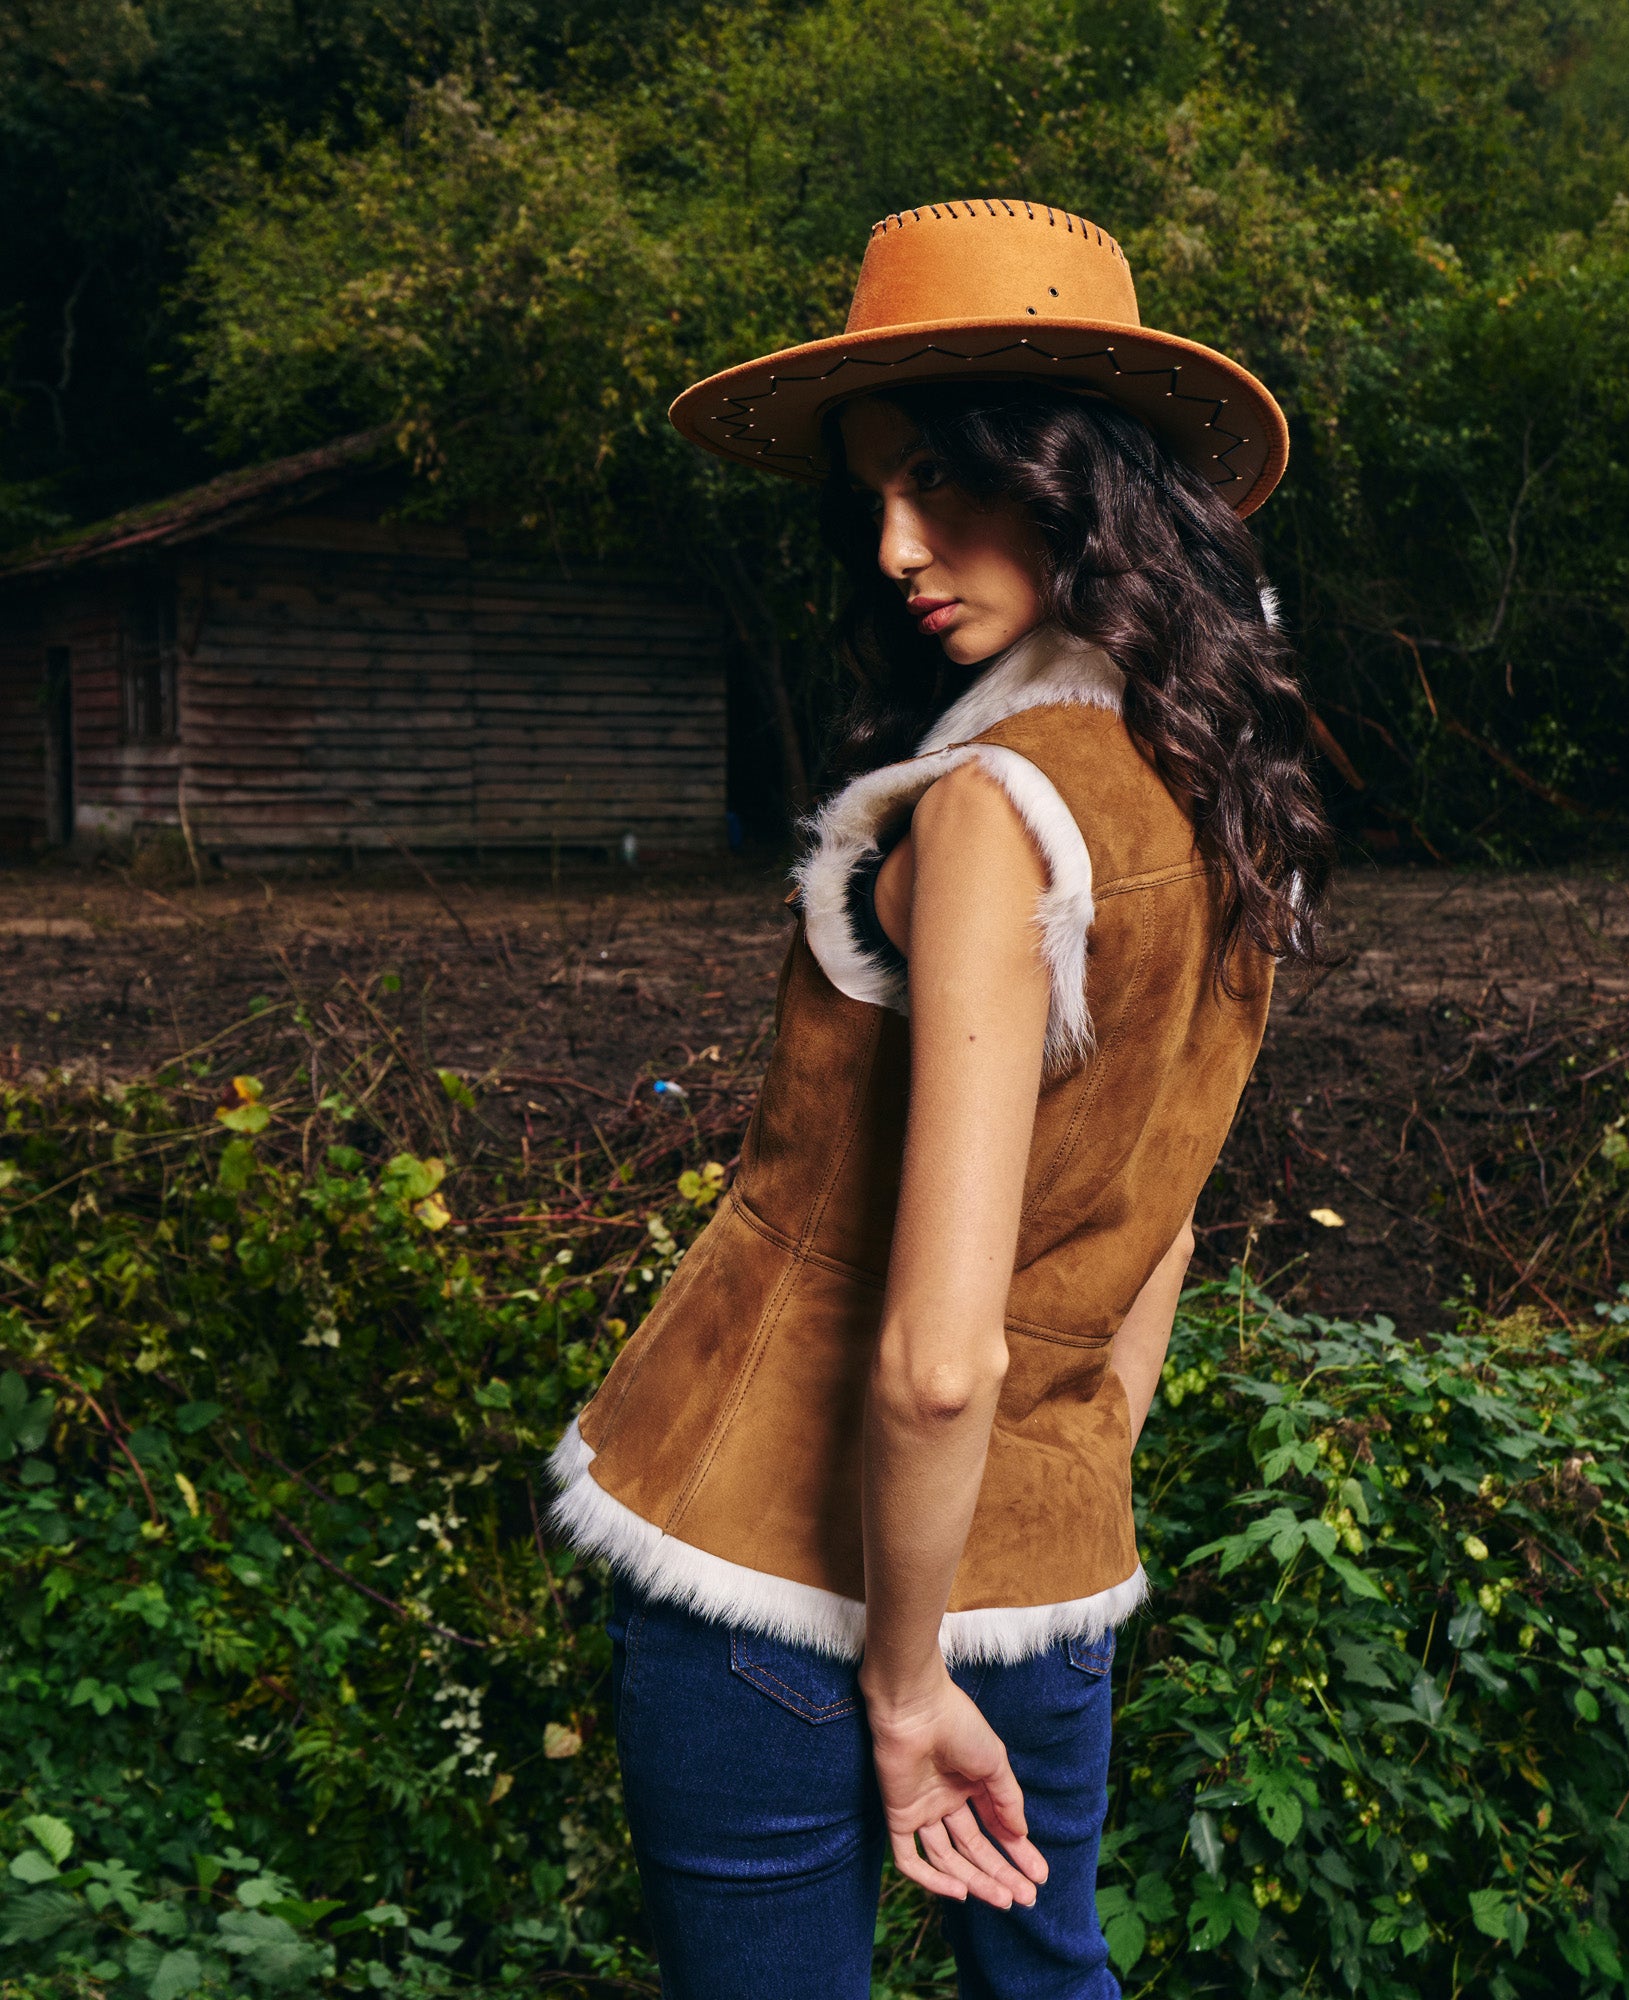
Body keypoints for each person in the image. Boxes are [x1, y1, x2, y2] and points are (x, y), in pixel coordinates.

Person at [548, 198, 1334, 1999]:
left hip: (779, 1567)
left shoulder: (991, 811)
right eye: (874, 498)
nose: (897, 545)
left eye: (942, 480)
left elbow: (933, 1363)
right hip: (1044, 1562)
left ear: (1080, 482)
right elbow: (1158, 1224)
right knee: (1052, 1981)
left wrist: (901, 1683)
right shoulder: (1226, 792)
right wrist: (1080, 1463)